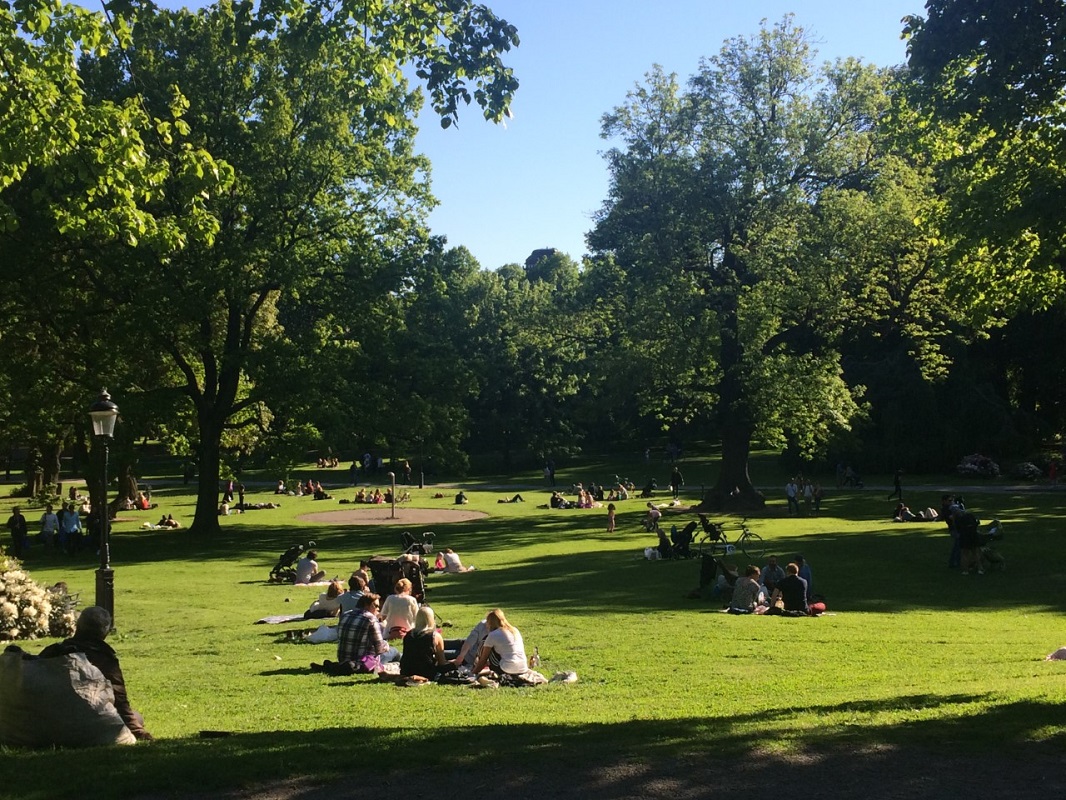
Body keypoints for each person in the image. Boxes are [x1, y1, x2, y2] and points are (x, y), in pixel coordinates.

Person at [39, 606, 153, 740]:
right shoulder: (104, 658)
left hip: (52, 720)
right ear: (104, 632)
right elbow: (120, 700)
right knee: (137, 716)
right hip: (91, 721)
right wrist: (138, 731)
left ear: (78, 626)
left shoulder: (53, 651)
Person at [335, 593, 398, 672]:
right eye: (376, 606)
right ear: (368, 605)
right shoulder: (371, 619)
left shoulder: (345, 615)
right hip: (364, 662)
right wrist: (386, 645)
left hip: (343, 659)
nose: (378, 609)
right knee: (394, 651)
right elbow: (379, 649)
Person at [472, 608, 528, 678]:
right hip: (523, 668)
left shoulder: (493, 635)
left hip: (507, 669)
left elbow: (484, 658)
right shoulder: (515, 630)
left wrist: (474, 672)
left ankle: (476, 665)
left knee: (484, 642)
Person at [399, 606, 449, 682]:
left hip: (407, 672)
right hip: (427, 673)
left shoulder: (408, 635)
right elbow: (442, 662)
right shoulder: (435, 636)